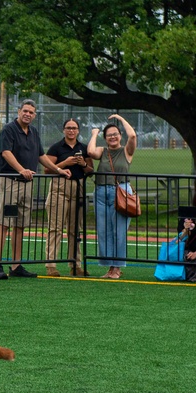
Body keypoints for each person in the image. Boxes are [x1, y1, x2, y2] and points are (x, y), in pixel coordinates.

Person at [0, 100, 71, 280]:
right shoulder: (9, 130)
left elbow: (41, 156)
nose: (28, 114)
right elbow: (6, 152)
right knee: (4, 223)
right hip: (10, 182)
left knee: (20, 224)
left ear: (35, 115)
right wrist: (21, 170)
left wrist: (58, 170)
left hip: (27, 184)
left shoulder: (34, 132)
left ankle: (16, 265)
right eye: (25, 111)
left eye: (31, 112)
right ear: (19, 111)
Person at [87, 115, 137, 279]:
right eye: (109, 135)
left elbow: (133, 136)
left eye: (115, 134)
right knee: (104, 231)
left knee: (119, 231)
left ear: (120, 135)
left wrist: (121, 119)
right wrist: (94, 133)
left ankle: (117, 268)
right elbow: (90, 152)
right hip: (101, 192)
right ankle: (110, 268)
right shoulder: (103, 151)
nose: (113, 137)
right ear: (105, 139)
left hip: (120, 192)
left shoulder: (126, 151)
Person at [42, 118, 93, 277]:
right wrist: (65, 163)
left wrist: (82, 164)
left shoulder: (83, 148)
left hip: (78, 187)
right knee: (55, 227)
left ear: (78, 130)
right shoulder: (56, 147)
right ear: (64, 130)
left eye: (74, 128)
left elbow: (91, 171)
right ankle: (51, 265)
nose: (71, 131)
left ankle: (75, 264)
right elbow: (47, 169)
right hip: (59, 187)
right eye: (68, 128)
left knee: (75, 230)